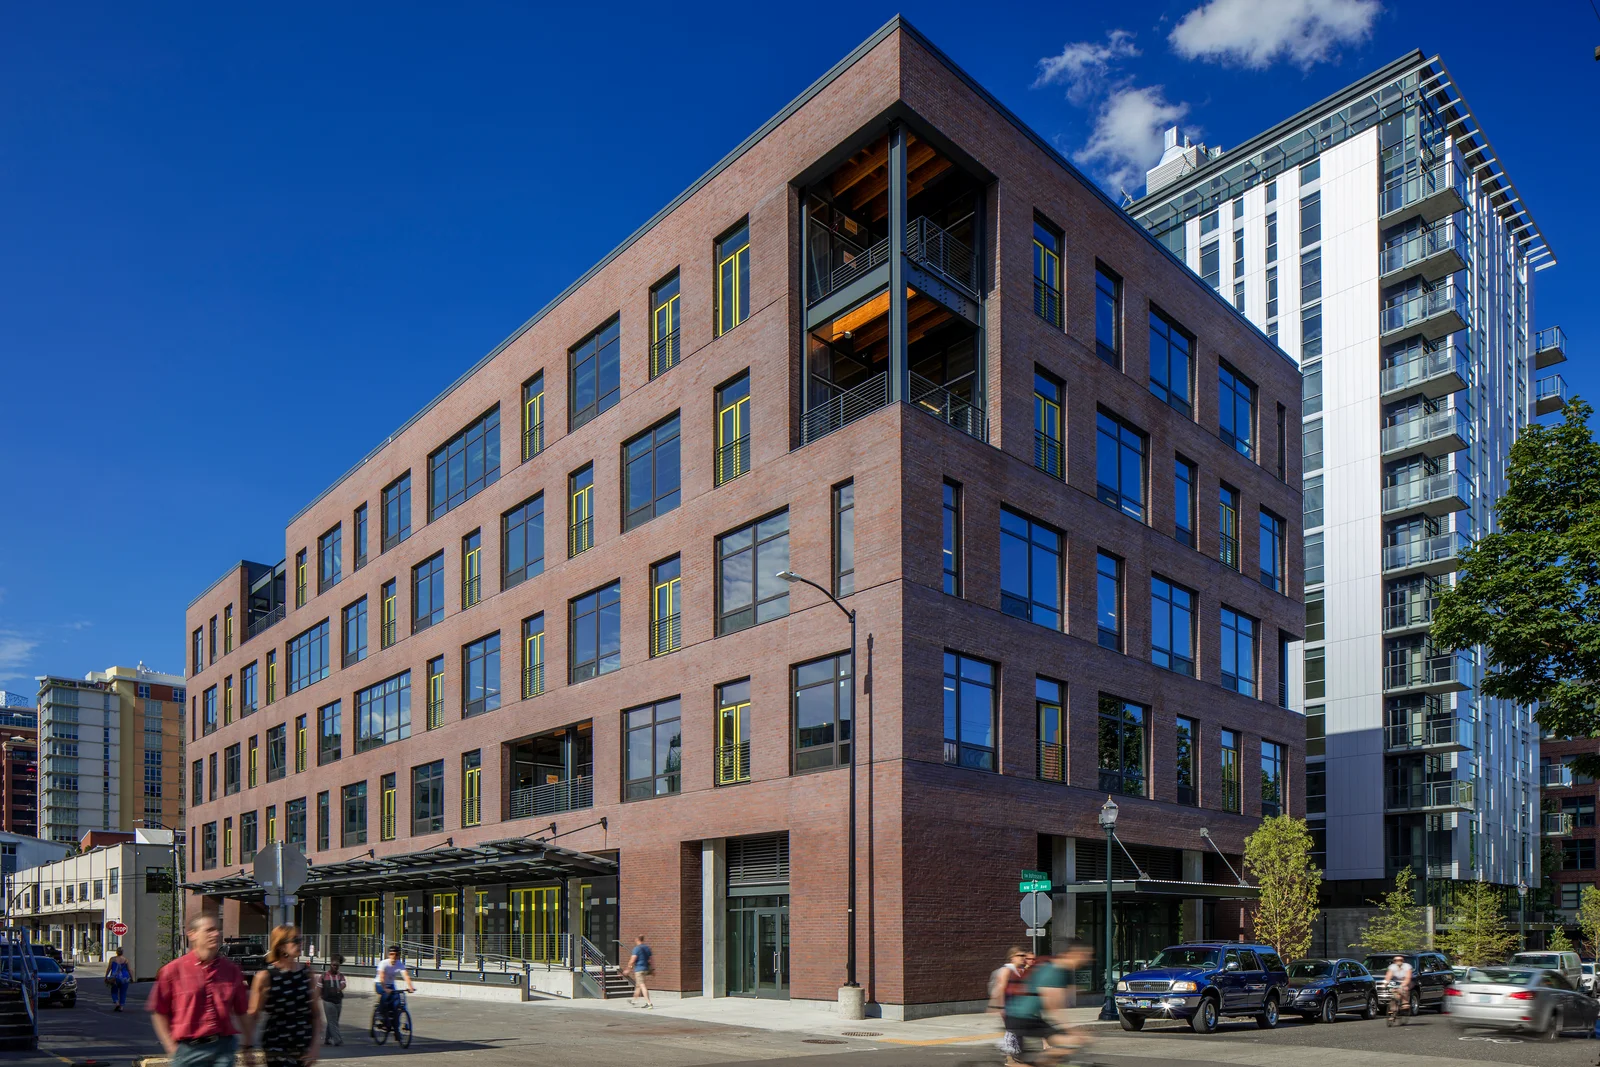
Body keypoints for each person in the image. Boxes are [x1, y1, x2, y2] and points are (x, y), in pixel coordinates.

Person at [147, 914, 253, 1067]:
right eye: (209, 930)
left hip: (223, 1048)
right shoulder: (172, 971)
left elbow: (242, 1010)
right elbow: (159, 1011)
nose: (216, 934)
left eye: (217, 930)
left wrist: (248, 1045)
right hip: (188, 1050)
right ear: (193, 934)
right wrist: (171, 1047)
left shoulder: (231, 970)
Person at [1003, 942, 1090, 1066]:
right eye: (1085, 956)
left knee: (1064, 1046)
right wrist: (1072, 1031)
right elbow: (1052, 1007)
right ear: (1074, 954)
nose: (1087, 960)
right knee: (1069, 1042)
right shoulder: (1054, 970)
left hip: (1023, 1016)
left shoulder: (1063, 971)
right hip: (1022, 1016)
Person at [248, 924, 323, 1067]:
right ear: (281, 946)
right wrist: (248, 1046)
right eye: (295, 940)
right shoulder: (266, 976)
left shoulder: (307, 974)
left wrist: (315, 1047)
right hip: (277, 1046)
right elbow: (253, 1014)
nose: (300, 944)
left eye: (301, 940)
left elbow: (316, 1014)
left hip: (303, 1045)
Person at [988, 948, 1031, 1067]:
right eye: (1020, 955)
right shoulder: (1006, 970)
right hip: (1009, 1007)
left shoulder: (1020, 970)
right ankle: (1010, 1059)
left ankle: (1015, 1057)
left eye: (1024, 955)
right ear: (1012, 957)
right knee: (1012, 1033)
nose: (1023, 958)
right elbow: (1000, 989)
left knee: (1018, 1033)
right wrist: (1000, 1007)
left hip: (1019, 1008)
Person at [374, 945, 415, 1031]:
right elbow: (381, 977)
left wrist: (410, 987)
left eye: (396, 954)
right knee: (386, 995)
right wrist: (385, 988)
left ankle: (398, 1022)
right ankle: (380, 1014)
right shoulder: (383, 963)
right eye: (392, 954)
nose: (394, 956)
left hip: (391, 985)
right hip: (380, 984)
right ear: (389, 955)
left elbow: (406, 976)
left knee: (399, 1000)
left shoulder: (399, 964)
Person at [318, 955, 346, 1046]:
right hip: (327, 1001)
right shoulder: (323, 976)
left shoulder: (340, 975)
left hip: (338, 1000)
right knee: (332, 1021)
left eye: (337, 965)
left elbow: (343, 984)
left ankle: (327, 1039)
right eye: (334, 965)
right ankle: (338, 1040)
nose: (335, 967)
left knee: (333, 1021)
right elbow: (319, 988)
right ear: (330, 964)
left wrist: (339, 989)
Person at [624, 935, 654, 1008]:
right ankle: (634, 1000)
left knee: (642, 985)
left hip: (639, 969)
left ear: (637, 940)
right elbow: (651, 960)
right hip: (645, 969)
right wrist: (653, 969)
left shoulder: (636, 949)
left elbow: (632, 960)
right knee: (638, 985)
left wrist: (628, 969)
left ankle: (649, 1003)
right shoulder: (647, 948)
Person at [1383, 954, 1413, 1021]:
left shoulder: (1407, 966)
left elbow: (1408, 977)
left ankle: (1405, 1002)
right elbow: (1388, 976)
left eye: (1400, 960)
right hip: (1395, 982)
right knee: (1394, 996)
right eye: (1396, 960)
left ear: (1403, 961)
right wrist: (1385, 983)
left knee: (1404, 989)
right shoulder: (1392, 967)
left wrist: (1403, 985)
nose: (1398, 961)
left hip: (1405, 981)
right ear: (1394, 961)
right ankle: (1393, 1012)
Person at [104, 946, 132, 1012]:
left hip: (115, 978)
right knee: (123, 992)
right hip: (125, 978)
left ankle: (117, 1003)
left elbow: (109, 968)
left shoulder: (112, 959)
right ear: (122, 952)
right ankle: (121, 1006)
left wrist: (106, 976)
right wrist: (132, 978)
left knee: (114, 991)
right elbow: (129, 969)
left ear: (116, 952)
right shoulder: (125, 960)